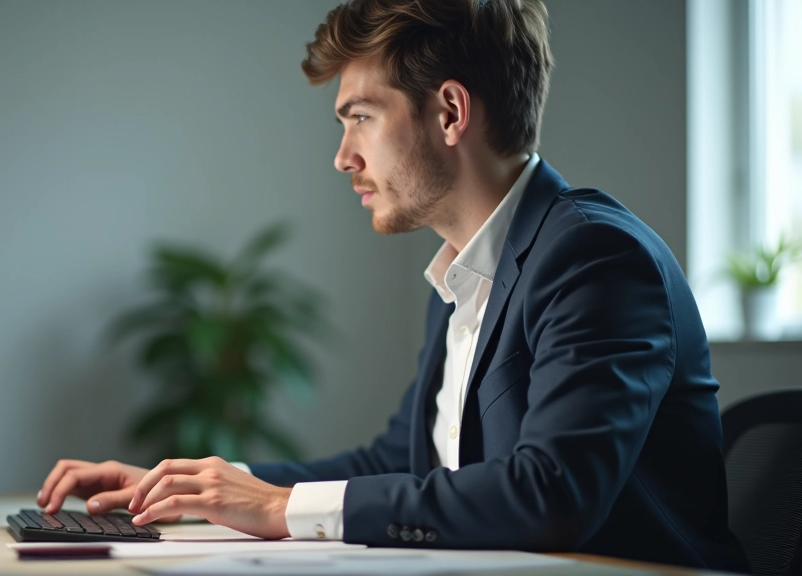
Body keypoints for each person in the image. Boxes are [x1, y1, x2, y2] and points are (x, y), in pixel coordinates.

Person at [37, 0, 749, 570]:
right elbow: (398, 463)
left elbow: (551, 493)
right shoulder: (469, 268)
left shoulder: (594, 257)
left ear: (449, 112)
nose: (344, 156)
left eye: (361, 118)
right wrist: (201, 489)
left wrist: (281, 508)